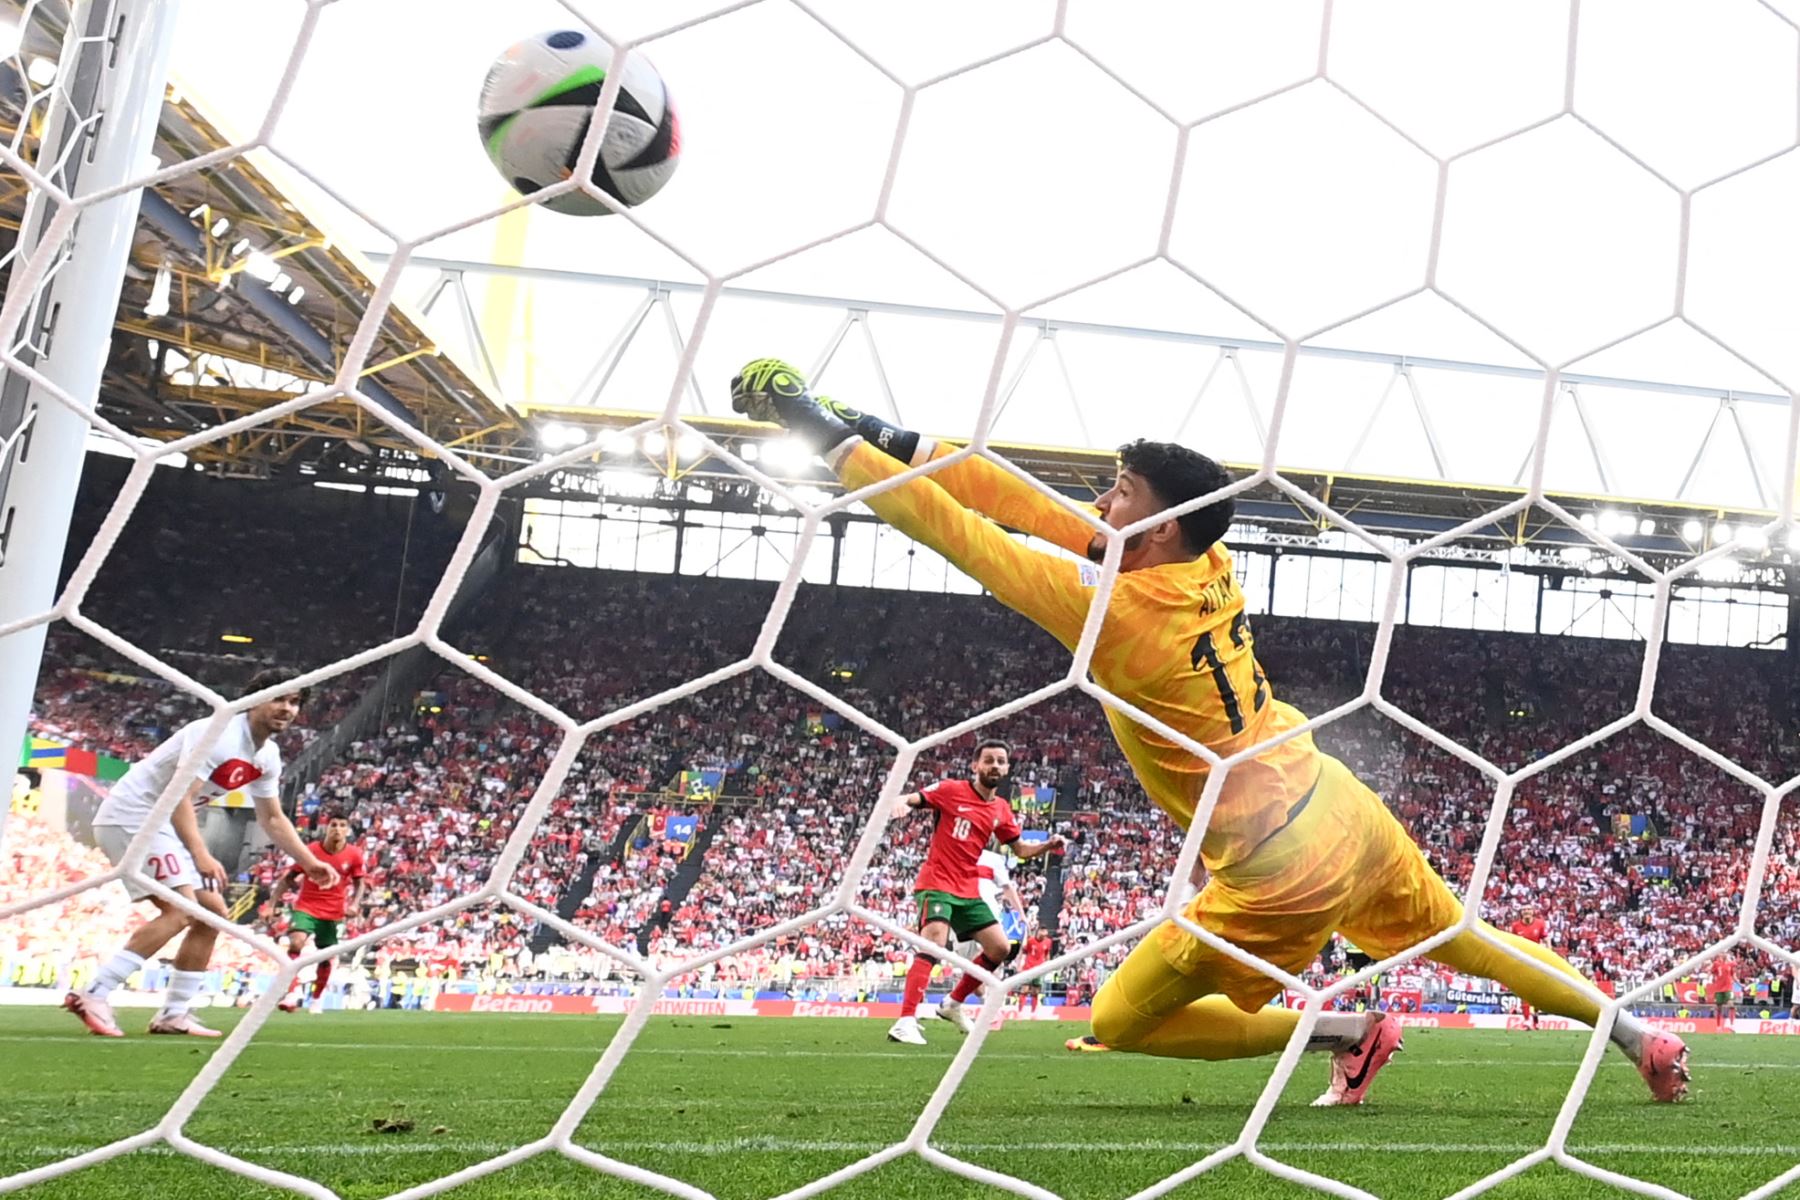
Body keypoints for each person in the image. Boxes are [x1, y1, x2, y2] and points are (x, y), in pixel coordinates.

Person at [729, 359, 1689, 1104]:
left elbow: (960, 529)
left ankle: (1347, 1032)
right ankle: (1637, 1036)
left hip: (1277, 866)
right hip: (1334, 801)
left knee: (1121, 1018)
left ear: (1155, 530)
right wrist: (871, 426)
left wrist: (822, 434)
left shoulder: (1115, 616)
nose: (1100, 506)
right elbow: (1023, 502)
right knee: (1468, 942)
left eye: (1119, 496)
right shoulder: (1206, 554)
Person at [64, 670, 339, 1038]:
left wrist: (309, 861)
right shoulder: (219, 734)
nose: (287, 709)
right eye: (279, 698)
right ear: (254, 699)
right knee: (180, 911)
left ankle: (174, 1013)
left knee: (212, 916)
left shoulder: (267, 755)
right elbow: (179, 797)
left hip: (162, 825)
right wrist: (199, 853)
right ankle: (95, 992)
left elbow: (272, 817)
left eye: (294, 702)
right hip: (133, 817)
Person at [885, 740, 1064, 1045]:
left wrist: (1047, 845)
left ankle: (952, 1004)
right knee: (934, 942)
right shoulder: (952, 790)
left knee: (1000, 948)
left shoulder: (1000, 808)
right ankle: (905, 1020)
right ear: (975, 766)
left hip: (967, 888)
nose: (995, 765)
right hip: (938, 881)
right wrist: (902, 800)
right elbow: (917, 797)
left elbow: (1019, 848)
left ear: (1007, 768)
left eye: (1000, 761)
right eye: (989, 760)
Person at [265, 809, 367, 1014]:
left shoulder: (354, 854)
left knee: (326, 955)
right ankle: (292, 992)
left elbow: (360, 883)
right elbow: (288, 878)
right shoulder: (311, 850)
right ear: (326, 828)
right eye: (333, 825)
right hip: (307, 906)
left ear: (347, 831)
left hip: (334, 911)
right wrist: (271, 904)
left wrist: (355, 904)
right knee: (296, 942)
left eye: (342, 825)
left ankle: (317, 998)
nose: (337, 829)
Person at [1507, 905, 1548, 1029]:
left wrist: (1548, 954)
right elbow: (1511, 942)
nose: (1526, 912)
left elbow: (1546, 940)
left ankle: (1535, 1016)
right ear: (1521, 913)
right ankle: (1526, 1020)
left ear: (1533, 912)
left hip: (1536, 961)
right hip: (1521, 961)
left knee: (1536, 991)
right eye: (1524, 910)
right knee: (1523, 990)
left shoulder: (1540, 924)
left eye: (1528, 909)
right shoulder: (1515, 926)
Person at [1708, 953, 1736, 1027]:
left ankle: (1732, 1024)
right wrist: (1709, 978)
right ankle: (1718, 1026)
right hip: (1719, 988)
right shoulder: (1716, 964)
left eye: (1725, 955)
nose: (1723, 956)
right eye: (1722, 955)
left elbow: (1733, 973)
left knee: (1731, 1004)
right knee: (1719, 1007)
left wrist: (1739, 983)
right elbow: (1712, 972)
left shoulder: (1730, 964)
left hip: (1728, 987)